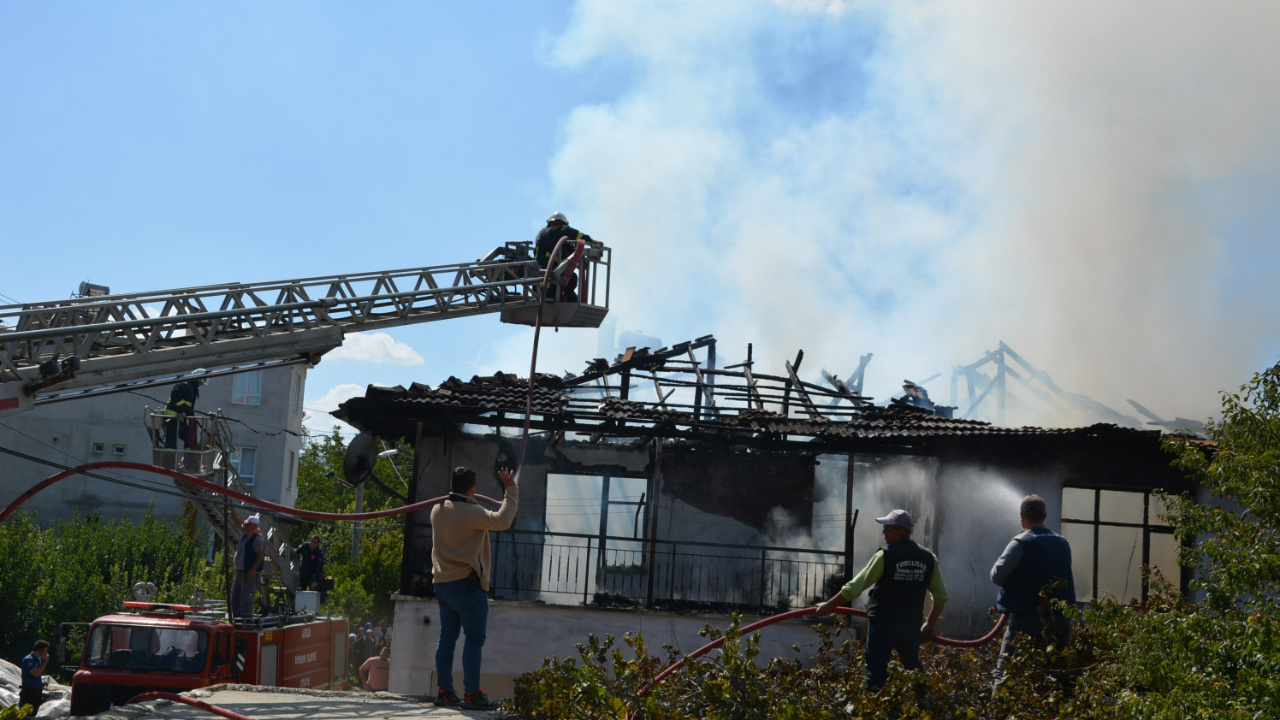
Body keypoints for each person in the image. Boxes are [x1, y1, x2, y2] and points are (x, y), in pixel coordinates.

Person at [815, 509, 948, 694]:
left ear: (901, 531)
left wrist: (828, 606)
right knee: (915, 670)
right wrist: (930, 624)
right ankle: (924, 706)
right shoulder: (929, 558)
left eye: (887, 528)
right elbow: (940, 596)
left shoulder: (885, 555)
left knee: (876, 673)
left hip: (883, 624)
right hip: (910, 624)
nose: (883, 532)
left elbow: (855, 587)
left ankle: (873, 709)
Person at [430, 466, 518, 710]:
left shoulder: (437, 509)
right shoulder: (471, 512)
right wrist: (511, 490)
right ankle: (472, 694)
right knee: (474, 639)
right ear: (472, 488)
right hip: (466, 586)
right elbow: (503, 520)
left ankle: (445, 692)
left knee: (446, 639)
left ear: (451, 485)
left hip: (442, 583)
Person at [990, 494, 1076, 681]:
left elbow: (997, 576)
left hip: (1026, 618)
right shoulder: (1063, 543)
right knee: (1057, 672)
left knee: (1005, 672)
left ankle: (999, 708)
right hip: (1060, 619)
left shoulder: (1021, 542)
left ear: (1022, 516)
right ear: (1045, 516)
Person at [533, 211, 593, 302]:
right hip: (547, 288)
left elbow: (569, 259)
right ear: (549, 226)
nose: (557, 226)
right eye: (554, 224)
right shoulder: (548, 235)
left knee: (576, 301)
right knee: (572, 278)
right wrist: (590, 240)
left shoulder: (560, 244)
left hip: (553, 286)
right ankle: (563, 297)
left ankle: (564, 297)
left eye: (560, 224)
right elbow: (564, 231)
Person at [230, 515, 265, 619]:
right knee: (236, 596)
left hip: (248, 572)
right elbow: (237, 524)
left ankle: (246, 620)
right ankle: (236, 619)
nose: (245, 526)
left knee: (247, 596)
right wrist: (232, 511)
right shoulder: (246, 534)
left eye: (247, 524)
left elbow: (260, 555)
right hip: (240, 571)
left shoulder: (257, 538)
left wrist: (252, 571)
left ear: (253, 526)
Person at [162, 378, 204, 450]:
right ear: (199, 380)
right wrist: (183, 409)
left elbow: (188, 406)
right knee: (172, 439)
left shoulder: (191, 388)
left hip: (180, 419)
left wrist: (185, 412)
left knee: (191, 438)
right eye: (202, 382)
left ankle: (189, 457)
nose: (202, 384)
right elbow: (175, 395)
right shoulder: (185, 385)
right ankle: (169, 459)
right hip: (172, 417)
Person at [20, 639, 50, 713]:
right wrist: (45, 661)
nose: (46, 653)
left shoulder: (38, 659)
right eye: (45, 651)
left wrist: (41, 682)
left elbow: (36, 675)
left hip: (37, 692)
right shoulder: (29, 660)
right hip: (29, 693)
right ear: (40, 650)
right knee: (28, 714)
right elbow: (36, 673)